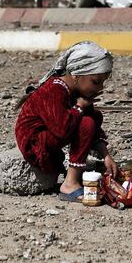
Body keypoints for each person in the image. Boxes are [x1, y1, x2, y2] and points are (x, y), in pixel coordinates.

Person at [14, 41, 118, 201]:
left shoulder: (73, 90)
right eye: (96, 82)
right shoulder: (54, 89)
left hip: (50, 139)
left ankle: (77, 173)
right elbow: (62, 129)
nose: (99, 88)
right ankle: (70, 183)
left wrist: (106, 155)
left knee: (93, 117)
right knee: (86, 123)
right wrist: (79, 107)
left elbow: (92, 125)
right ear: (76, 75)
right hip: (35, 144)